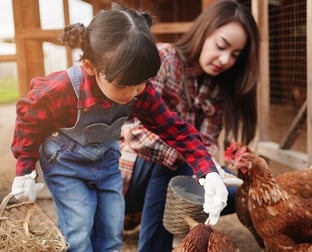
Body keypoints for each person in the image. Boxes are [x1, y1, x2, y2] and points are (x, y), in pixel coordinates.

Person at [10, 4, 228, 252]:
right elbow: (29, 116)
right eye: (124, 85)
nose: (135, 92)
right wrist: (24, 169)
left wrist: (207, 171)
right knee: (79, 226)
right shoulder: (64, 88)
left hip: (106, 162)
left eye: (142, 82)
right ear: (91, 67)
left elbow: (175, 129)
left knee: (112, 228)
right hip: (66, 165)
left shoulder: (139, 92)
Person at [120, 0, 260, 251]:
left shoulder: (216, 88)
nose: (226, 59)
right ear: (205, 31)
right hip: (128, 178)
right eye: (221, 46)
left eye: (235, 55)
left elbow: (205, 143)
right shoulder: (162, 59)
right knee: (173, 158)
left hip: (171, 177)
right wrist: (196, 160)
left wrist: (211, 170)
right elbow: (133, 131)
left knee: (232, 190)